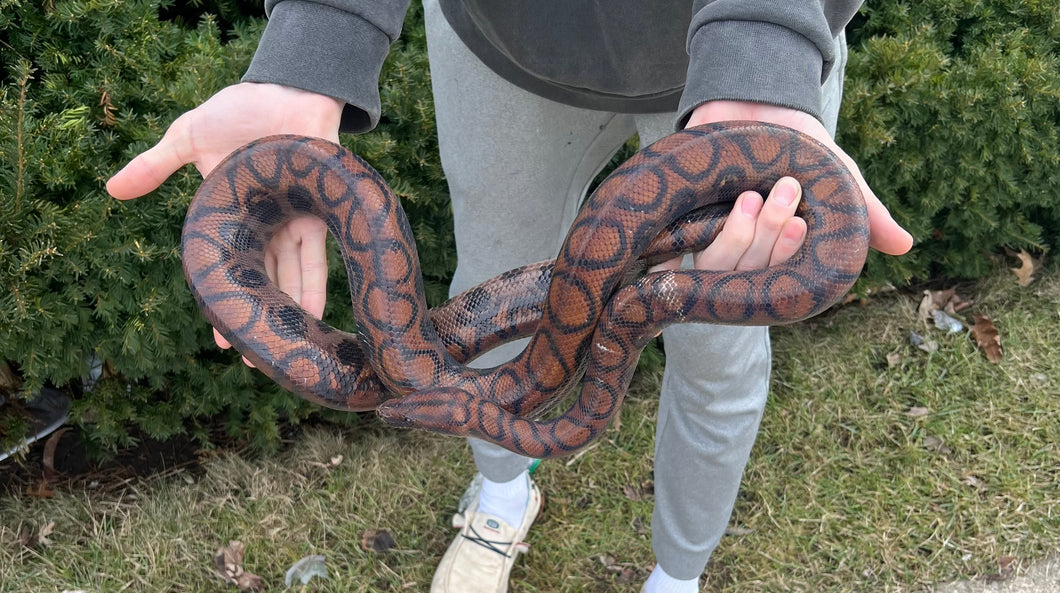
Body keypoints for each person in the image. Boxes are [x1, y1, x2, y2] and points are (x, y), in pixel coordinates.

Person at [108, 1, 913, 591]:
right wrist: (317, 43)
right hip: (509, 43)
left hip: (750, 49)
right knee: (490, 283)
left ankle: (679, 573)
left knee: (717, 341)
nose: (392, 401)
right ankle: (501, 490)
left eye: (412, 404)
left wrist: (764, 50)